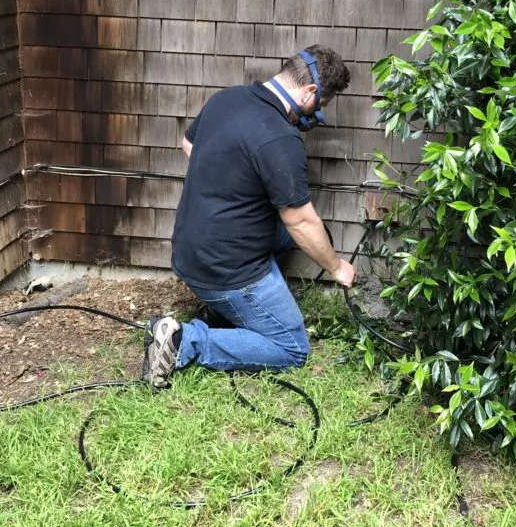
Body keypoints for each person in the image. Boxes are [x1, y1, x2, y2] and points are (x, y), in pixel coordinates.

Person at [141, 45, 357, 389]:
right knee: (291, 348)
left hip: (189, 249)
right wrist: (337, 268)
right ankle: (186, 341)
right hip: (223, 266)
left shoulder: (227, 99)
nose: (318, 112)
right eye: (322, 104)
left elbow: (188, 144)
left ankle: (223, 312)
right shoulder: (280, 138)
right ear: (310, 92)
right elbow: (300, 222)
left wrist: (233, 185)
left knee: (317, 235)